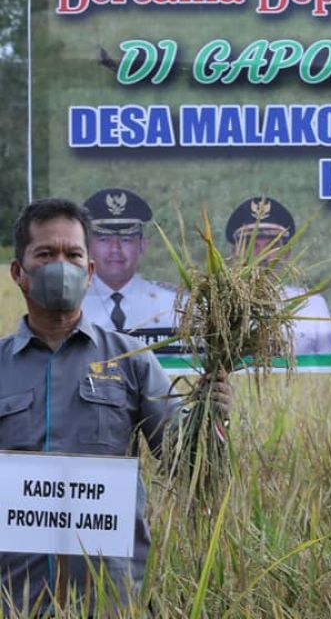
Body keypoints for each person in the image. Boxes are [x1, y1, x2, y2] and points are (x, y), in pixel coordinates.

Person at [0, 198, 230, 613]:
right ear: (20, 272)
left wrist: (212, 416)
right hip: (14, 595)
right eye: (45, 254)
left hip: (108, 596)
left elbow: (184, 460)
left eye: (72, 255)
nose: (61, 265)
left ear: (89, 273)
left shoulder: (132, 360)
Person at [225, 196, 331, 355]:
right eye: (251, 245)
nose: (262, 255)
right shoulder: (213, 306)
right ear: (235, 253)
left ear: (287, 254)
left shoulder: (312, 305)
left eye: (272, 245)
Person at [79, 188, 177, 339]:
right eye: (104, 239)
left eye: (126, 240)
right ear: (88, 246)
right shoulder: (72, 304)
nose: (115, 249)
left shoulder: (173, 305)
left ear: (142, 245)